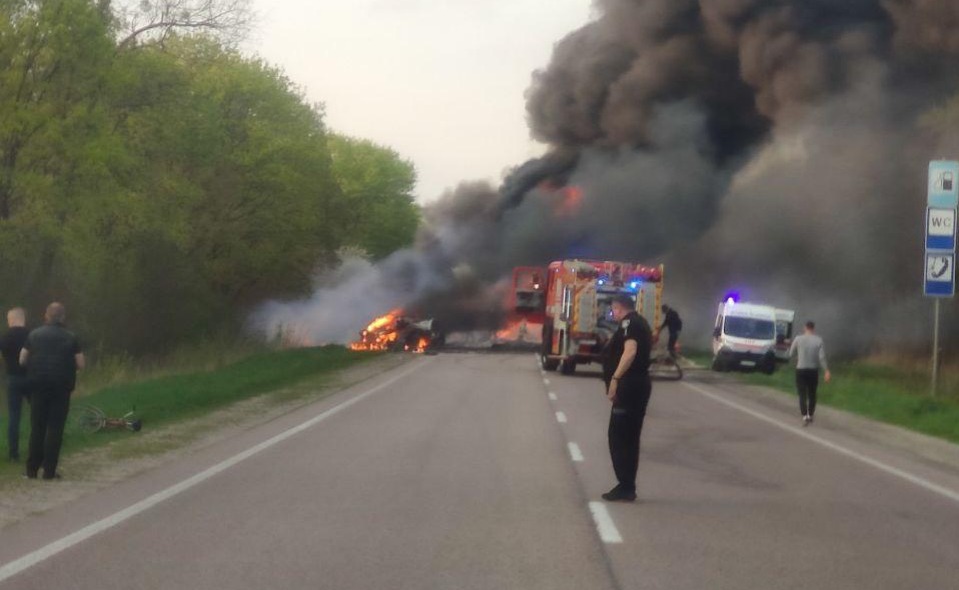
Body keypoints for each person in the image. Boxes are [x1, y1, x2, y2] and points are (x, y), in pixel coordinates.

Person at [20, 302, 85, 480]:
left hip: (38, 385)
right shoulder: (71, 337)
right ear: (63, 318)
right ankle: (49, 471)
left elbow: (22, 359)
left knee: (37, 427)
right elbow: (81, 364)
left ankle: (31, 470)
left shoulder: (34, 335)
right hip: (61, 387)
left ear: (46, 316)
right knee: (55, 428)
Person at [601, 294, 653, 502]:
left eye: (613, 309)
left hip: (630, 386)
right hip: (638, 385)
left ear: (619, 307)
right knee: (629, 438)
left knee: (619, 437)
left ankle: (625, 485)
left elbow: (630, 352)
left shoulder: (629, 323)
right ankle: (627, 485)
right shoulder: (641, 322)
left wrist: (615, 378)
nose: (612, 313)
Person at [787, 321, 831, 426]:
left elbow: (790, 353)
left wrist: (796, 359)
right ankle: (810, 414)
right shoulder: (818, 340)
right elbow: (822, 357)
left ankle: (804, 415)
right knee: (812, 393)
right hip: (813, 370)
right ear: (813, 328)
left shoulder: (798, 338)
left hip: (800, 369)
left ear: (805, 328)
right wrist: (826, 370)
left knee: (802, 393)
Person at [1, 308, 30, 461]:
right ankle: (39, 448)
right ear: (23, 318)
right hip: (32, 378)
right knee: (38, 414)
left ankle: (13, 454)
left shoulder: (5, 337)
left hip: (13, 379)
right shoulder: (32, 335)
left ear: (10, 319)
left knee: (14, 417)